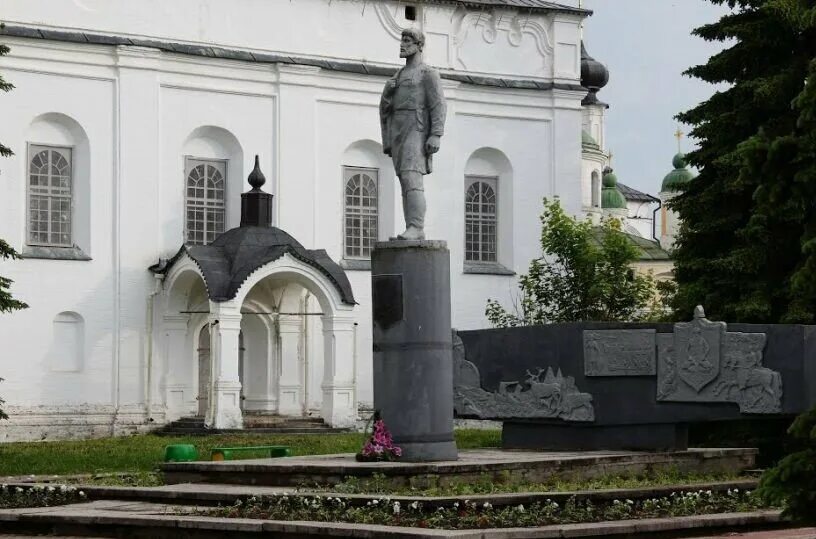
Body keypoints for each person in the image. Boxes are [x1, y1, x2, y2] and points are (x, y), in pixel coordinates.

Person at [379, 28, 447, 240]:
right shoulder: (397, 76)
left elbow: (438, 104)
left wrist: (435, 134)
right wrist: (387, 93)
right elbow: (386, 107)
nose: (402, 44)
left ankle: (417, 227)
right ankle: (411, 226)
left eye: (407, 40)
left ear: (419, 45)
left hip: (416, 128)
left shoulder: (428, 74)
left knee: (411, 176)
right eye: (402, 40)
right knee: (404, 179)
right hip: (398, 128)